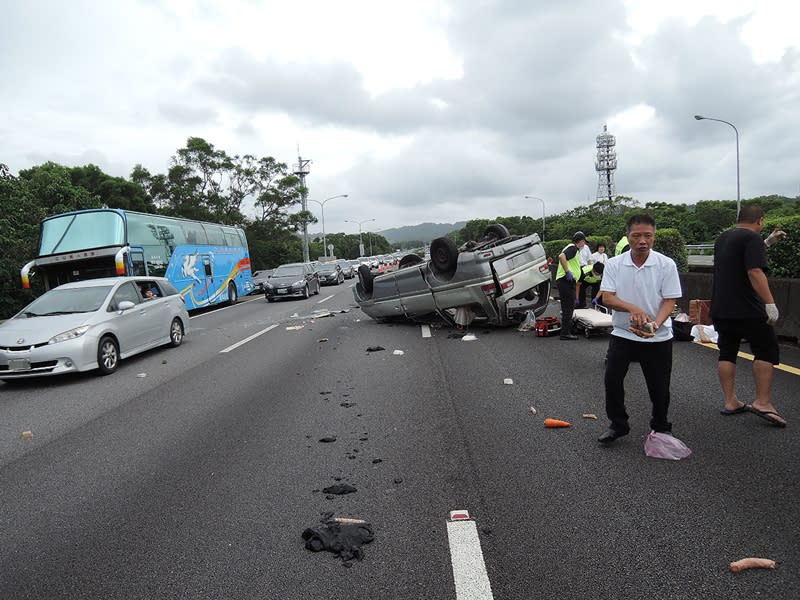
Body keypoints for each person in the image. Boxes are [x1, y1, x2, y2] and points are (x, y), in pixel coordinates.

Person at [597, 214, 683, 443]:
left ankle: (661, 425)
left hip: (658, 336)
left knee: (660, 388)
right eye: (637, 236)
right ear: (628, 237)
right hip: (623, 333)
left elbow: (670, 300)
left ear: (654, 236)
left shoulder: (666, 264)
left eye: (648, 235)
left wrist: (656, 323)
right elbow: (607, 297)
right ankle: (618, 424)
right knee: (612, 380)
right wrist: (632, 308)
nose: (642, 240)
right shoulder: (615, 264)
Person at [711, 204, 787, 427]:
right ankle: (763, 401)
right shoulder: (752, 238)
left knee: (727, 352)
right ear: (760, 221)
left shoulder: (723, 238)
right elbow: (754, 270)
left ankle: (730, 401)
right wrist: (770, 303)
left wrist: (767, 243)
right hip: (747, 309)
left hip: (722, 308)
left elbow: (737, 260)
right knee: (766, 349)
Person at [555, 232, 587, 340]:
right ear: (581, 241)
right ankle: (565, 333)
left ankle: (566, 330)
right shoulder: (573, 248)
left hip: (566, 281)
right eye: (584, 242)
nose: (584, 245)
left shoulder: (573, 249)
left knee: (568, 307)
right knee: (568, 307)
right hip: (566, 281)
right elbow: (561, 256)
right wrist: (567, 271)